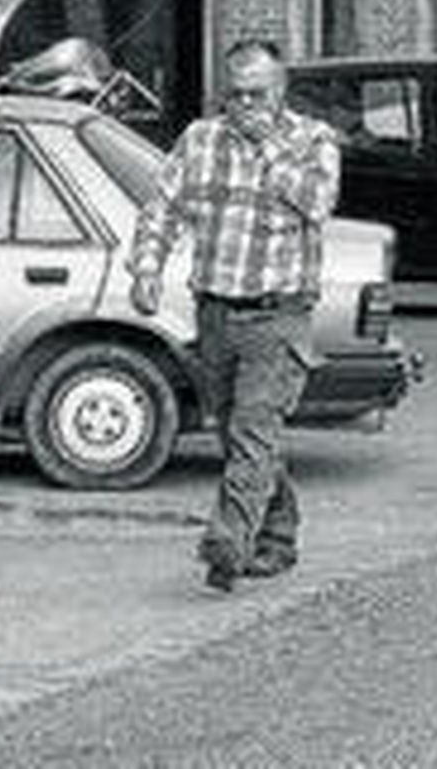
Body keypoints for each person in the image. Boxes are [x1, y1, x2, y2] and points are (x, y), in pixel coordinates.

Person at [128, 38, 341, 593]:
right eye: (235, 95)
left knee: (253, 430)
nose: (244, 106)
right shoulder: (200, 139)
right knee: (240, 434)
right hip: (216, 312)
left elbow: (318, 202)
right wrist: (147, 269)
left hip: (278, 317)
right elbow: (161, 208)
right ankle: (278, 534)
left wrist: (267, 146)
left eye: (257, 95)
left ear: (281, 91)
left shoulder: (312, 140)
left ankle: (226, 543)